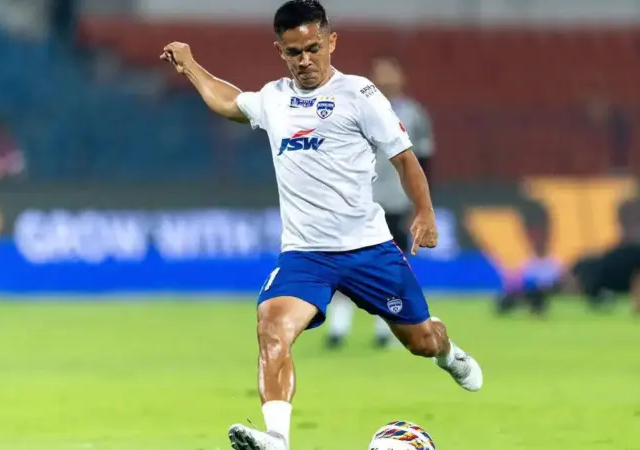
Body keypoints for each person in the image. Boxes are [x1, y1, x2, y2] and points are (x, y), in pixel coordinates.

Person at [160, 1, 483, 449]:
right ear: (280, 51)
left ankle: (449, 354)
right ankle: (276, 437)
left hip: (368, 249)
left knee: (421, 341)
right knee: (271, 327)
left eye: (313, 48)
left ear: (331, 42)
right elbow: (229, 101)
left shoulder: (360, 95)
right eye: (294, 52)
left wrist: (425, 213)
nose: (305, 60)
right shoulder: (274, 98)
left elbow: (405, 159)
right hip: (305, 255)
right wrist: (192, 66)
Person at [325, 54, 435, 349]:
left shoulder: (414, 114)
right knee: (345, 261)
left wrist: (421, 204)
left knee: (391, 266)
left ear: (401, 77)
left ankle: (386, 329)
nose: (385, 78)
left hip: (396, 202)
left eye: (390, 72)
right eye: (380, 73)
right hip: (358, 201)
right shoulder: (354, 106)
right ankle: (338, 328)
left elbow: (424, 159)